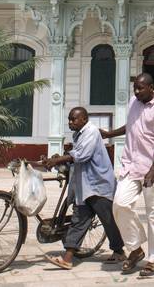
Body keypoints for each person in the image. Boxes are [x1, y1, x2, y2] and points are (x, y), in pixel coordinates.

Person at [101, 73, 154, 278]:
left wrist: (152, 171)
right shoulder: (134, 102)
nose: (137, 92)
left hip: (153, 170)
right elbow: (131, 126)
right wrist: (110, 134)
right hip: (131, 166)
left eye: (141, 88)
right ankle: (136, 248)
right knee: (120, 205)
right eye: (135, 88)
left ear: (151, 87)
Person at [40, 106, 125, 270]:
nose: (70, 122)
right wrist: (59, 158)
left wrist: (58, 161)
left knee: (108, 220)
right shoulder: (79, 134)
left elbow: (82, 154)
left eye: (74, 119)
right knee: (79, 221)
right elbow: (76, 152)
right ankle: (67, 258)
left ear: (84, 119)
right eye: (69, 119)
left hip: (98, 185)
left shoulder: (91, 132)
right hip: (85, 186)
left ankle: (120, 251)